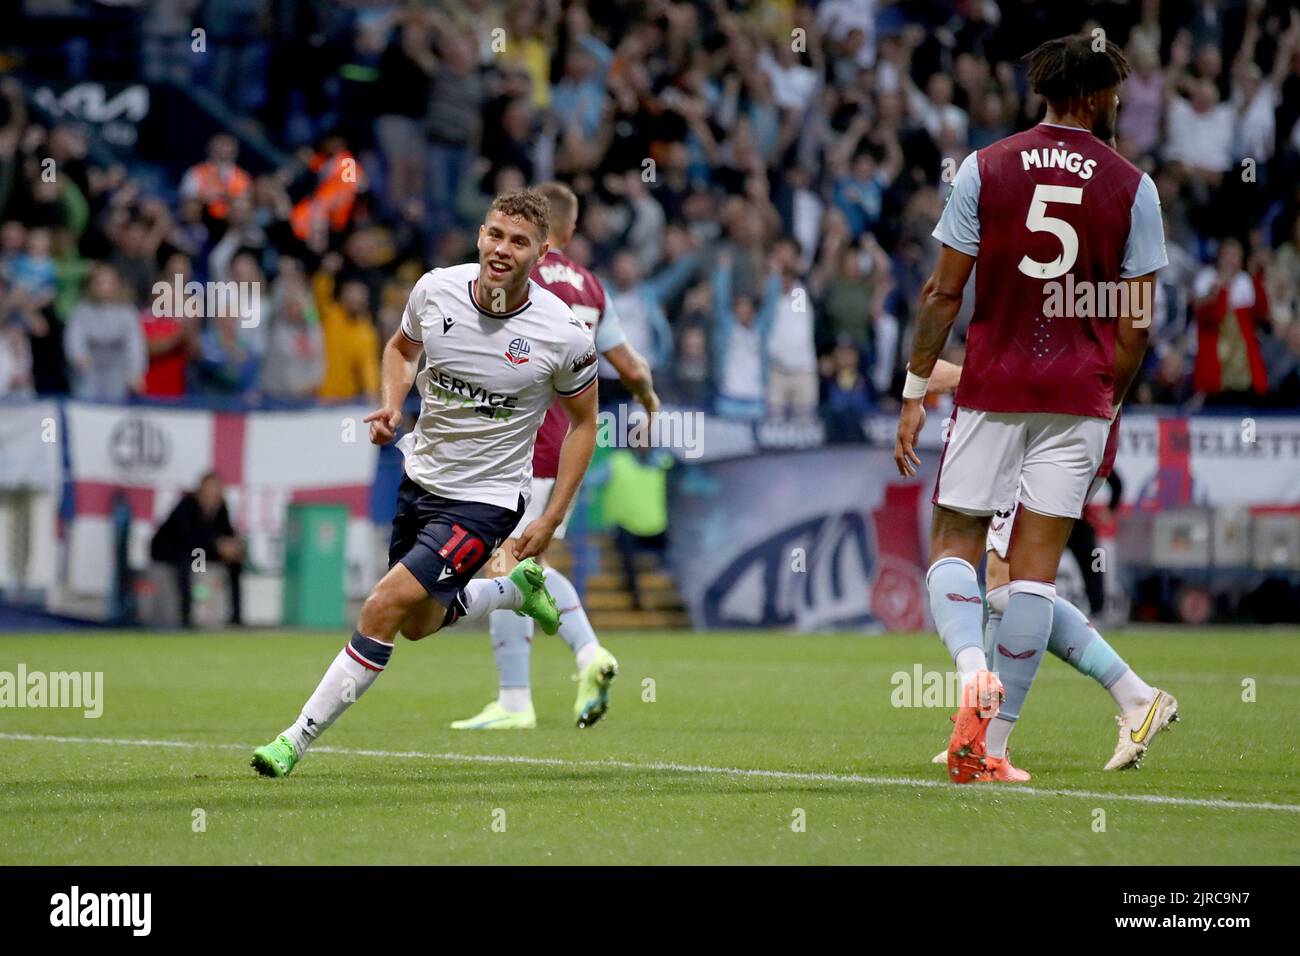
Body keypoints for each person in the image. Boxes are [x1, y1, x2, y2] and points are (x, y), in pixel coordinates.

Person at [250, 189, 599, 777]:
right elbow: (400, 349)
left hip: (488, 500)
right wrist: (391, 403)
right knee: (418, 624)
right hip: (422, 480)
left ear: (541, 254)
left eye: (518, 242)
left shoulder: (560, 333)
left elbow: (585, 425)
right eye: (494, 234)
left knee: (383, 605)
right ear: (480, 235)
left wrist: (551, 516)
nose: (501, 249)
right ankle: (514, 591)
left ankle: (294, 738)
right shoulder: (435, 290)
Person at [893, 35, 1167, 784]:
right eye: (1113, 93)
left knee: (957, 543)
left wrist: (916, 391)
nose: (1117, 104)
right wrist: (1106, 405)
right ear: (1089, 96)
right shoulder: (1133, 186)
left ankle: (973, 675)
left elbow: (943, 294)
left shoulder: (986, 166)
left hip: (995, 387)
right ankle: (997, 745)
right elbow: (1138, 323)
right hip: (1078, 398)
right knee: (1034, 580)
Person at [449, 180, 660, 731]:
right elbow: (630, 367)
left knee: (517, 566)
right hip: (567, 441)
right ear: (572, 228)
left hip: (518, 441)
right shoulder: (591, 286)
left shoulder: (518, 273)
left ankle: (586, 655)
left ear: (544, 233)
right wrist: (647, 397)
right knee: (512, 565)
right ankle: (515, 698)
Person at [924, 361, 1179, 773]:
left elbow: (1065, 352)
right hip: (1066, 420)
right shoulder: (1109, 303)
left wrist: (962, 375)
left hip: (1058, 425)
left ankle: (995, 743)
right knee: (1000, 583)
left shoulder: (1083, 311)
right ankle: (991, 735)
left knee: (1011, 585)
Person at [150, 472, 245, 628]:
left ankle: (236, 617)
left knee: (235, 563)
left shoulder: (221, 507)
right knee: (193, 565)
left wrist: (232, 545)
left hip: (203, 550)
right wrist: (217, 545)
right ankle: (188, 615)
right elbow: (187, 537)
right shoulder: (188, 505)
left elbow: (226, 531)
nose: (214, 493)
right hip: (176, 550)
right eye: (210, 488)